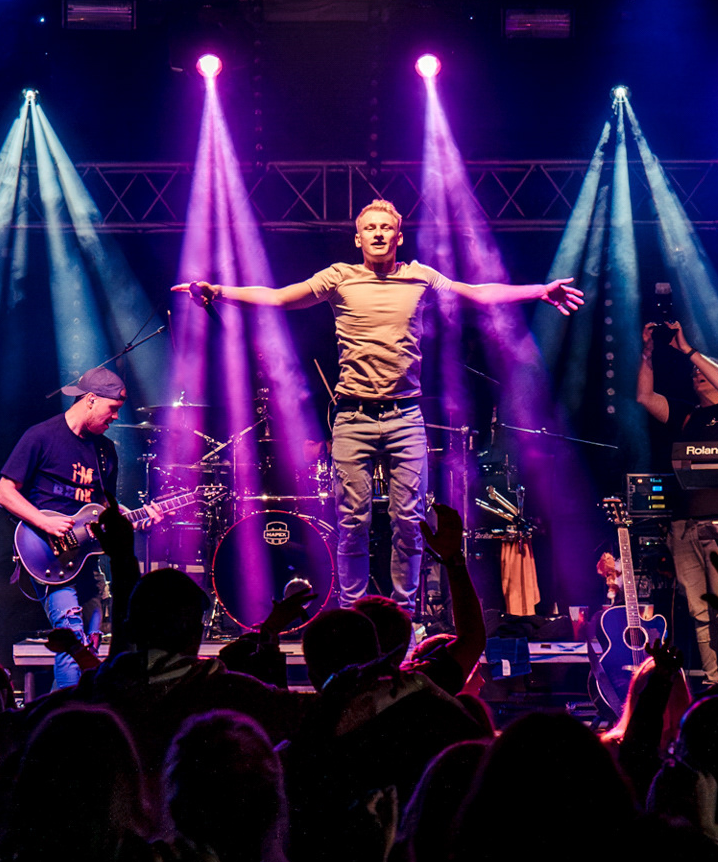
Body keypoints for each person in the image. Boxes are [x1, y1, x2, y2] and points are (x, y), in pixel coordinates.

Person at [174, 197, 582, 613]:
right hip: (353, 418)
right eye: (370, 228)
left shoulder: (419, 276)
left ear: (399, 236)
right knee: (353, 522)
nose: (378, 233)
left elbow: (477, 293)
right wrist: (217, 291)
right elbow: (279, 298)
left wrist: (539, 291)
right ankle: (353, 615)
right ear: (358, 239)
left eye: (386, 227)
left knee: (410, 522)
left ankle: (403, 615)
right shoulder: (340, 277)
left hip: (405, 417)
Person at [637, 300, 718, 679]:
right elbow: (645, 398)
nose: (697, 375)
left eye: (704, 371)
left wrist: (689, 350)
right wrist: (648, 354)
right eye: (694, 373)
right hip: (684, 526)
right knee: (700, 614)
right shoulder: (688, 415)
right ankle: (716, 687)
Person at [0, 368, 131, 692]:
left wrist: (131, 517)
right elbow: (4, 492)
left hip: (85, 557)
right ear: (91, 399)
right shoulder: (41, 436)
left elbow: (105, 506)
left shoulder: (106, 451)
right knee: (72, 636)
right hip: (47, 554)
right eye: (112, 409)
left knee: (88, 646)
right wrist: (44, 522)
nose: (115, 417)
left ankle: (61, 712)